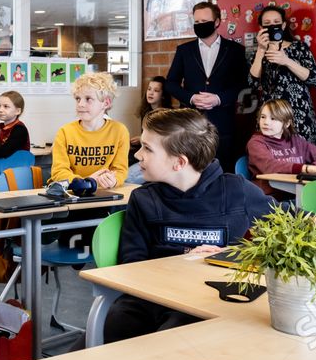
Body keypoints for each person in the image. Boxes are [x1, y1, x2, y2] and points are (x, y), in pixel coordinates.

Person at [104, 109, 274, 343]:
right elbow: (131, 264)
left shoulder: (237, 191)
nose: (138, 155)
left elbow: (292, 227)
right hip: (153, 295)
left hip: (211, 298)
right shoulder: (143, 199)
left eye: (148, 149)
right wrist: (182, 263)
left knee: (177, 333)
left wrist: (236, 255)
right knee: (118, 319)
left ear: (179, 162)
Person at [164, 0, 249, 163]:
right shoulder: (184, 50)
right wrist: (191, 98)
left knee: (222, 169)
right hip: (190, 123)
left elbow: (242, 84)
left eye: (204, 21)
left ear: (217, 22)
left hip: (223, 124)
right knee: (191, 168)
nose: (200, 25)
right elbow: (171, 83)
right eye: (196, 22)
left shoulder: (234, 50)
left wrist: (218, 99)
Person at [248, 4, 316, 143]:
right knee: (272, 159)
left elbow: (315, 79)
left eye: (276, 23)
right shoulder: (257, 52)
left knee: (303, 159)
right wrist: (260, 50)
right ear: (261, 28)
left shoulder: (299, 47)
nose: (272, 26)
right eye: (267, 24)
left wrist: (287, 61)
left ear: (283, 25)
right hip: (270, 116)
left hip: (299, 114)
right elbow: (252, 83)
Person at [246, 98, 316, 194]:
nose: (266, 122)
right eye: (263, 117)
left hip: (298, 192)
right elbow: (270, 166)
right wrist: (305, 169)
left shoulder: (296, 141)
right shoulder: (256, 143)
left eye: (273, 118)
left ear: (287, 123)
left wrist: (315, 168)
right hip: (271, 197)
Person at [51, 72, 128, 188]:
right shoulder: (65, 132)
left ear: (106, 103)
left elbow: (120, 171)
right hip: (72, 193)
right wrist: (87, 182)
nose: (80, 104)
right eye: (78, 99)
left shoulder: (119, 131)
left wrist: (114, 180)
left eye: (88, 99)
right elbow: (59, 172)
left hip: (105, 192)